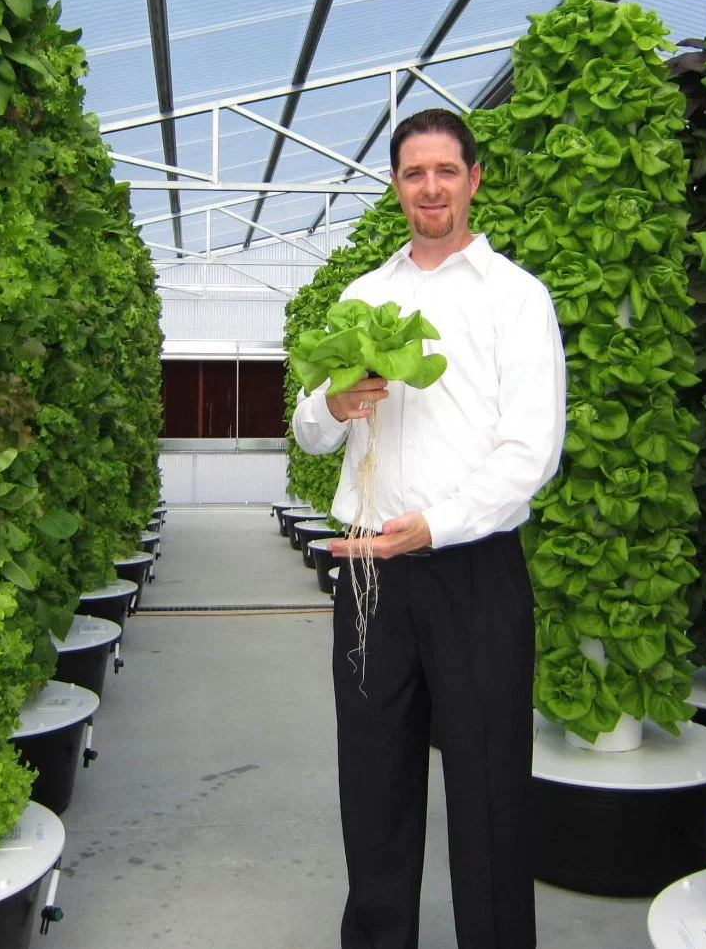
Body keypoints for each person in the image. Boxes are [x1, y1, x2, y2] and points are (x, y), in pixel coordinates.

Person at [291, 107, 566, 949]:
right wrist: (331, 403)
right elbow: (308, 430)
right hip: (373, 575)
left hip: (473, 570)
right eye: (415, 173)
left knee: (488, 787)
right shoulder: (365, 297)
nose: (432, 187)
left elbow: (532, 450)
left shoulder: (516, 298)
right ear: (396, 186)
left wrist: (437, 526)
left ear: (474, 180)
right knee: (373, 780)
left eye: (447, 170)